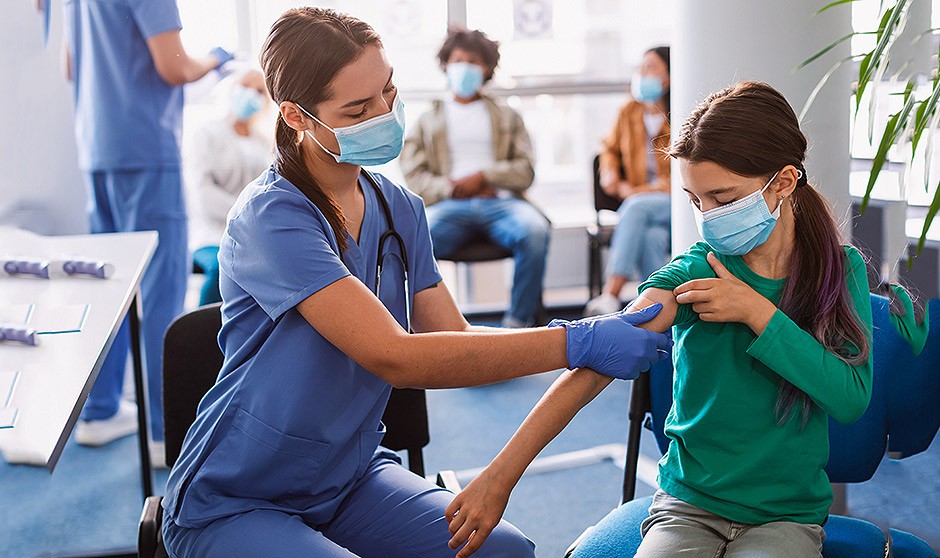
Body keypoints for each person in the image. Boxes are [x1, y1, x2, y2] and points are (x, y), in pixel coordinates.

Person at [160, 8, 670, 558]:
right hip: (242, 496)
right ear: (297, 116)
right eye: (358, 108)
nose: (384, 113)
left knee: (506, 552)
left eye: (387, 91)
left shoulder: (398, 208)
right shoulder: (272, 216)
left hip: (348, 478)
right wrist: (576, 341)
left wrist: (578, 339)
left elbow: (453, 338)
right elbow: (396, 356)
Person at [444, 81, 874, 558]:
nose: (707, 218)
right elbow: (596, 367)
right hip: (689, 505)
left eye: (724, 198)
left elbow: (850, 399)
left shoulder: (838, 269)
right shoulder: (693, 271)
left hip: (785, 514)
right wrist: (499, 476)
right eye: (695, 199)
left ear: (784, 182)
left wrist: (757, 313)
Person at [62, 0, 234, 457]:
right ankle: (165, 430)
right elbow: (174, 67)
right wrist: (218, 57)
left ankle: (100, 410)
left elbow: (68, 65)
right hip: (143, 146)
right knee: (161, 289)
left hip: (96, 147)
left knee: (109, 287)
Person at [400, 26, 549, 328]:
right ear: (446, 64)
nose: (464, 68)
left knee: (535, 232)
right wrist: (451, 188)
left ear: (487, 68)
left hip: (503, 204)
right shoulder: (428, 121)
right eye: (457, 60)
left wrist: (485, 177)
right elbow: (413, 174)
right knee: (414, 240)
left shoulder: (509, 117)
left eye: (472, 61)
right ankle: (434, 328)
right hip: (448, 205)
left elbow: (525, 170)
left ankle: (517, 324)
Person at [585, 46, 672, 316]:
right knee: (651, 238)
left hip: (674, 200)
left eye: (651, 68)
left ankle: (610, 294)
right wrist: (609, 172)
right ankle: (660, 310)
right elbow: (608, 149)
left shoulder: (681, 114)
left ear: (668, 76)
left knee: (635, 206)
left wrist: (634, 192)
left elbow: (678, 176)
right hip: (644, 207)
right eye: (641, 68)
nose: (642, 74)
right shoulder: (629, 112)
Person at [189, 68, 273, 306]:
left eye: (259, 91)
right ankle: (204, 339)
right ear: (233, 88)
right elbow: (204, 195)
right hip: (212, 234)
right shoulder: (207, 134)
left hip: (256, 236)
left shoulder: (264, 143)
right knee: (222, 269)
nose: (251, 95)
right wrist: (246, 215)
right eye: (246, 86)